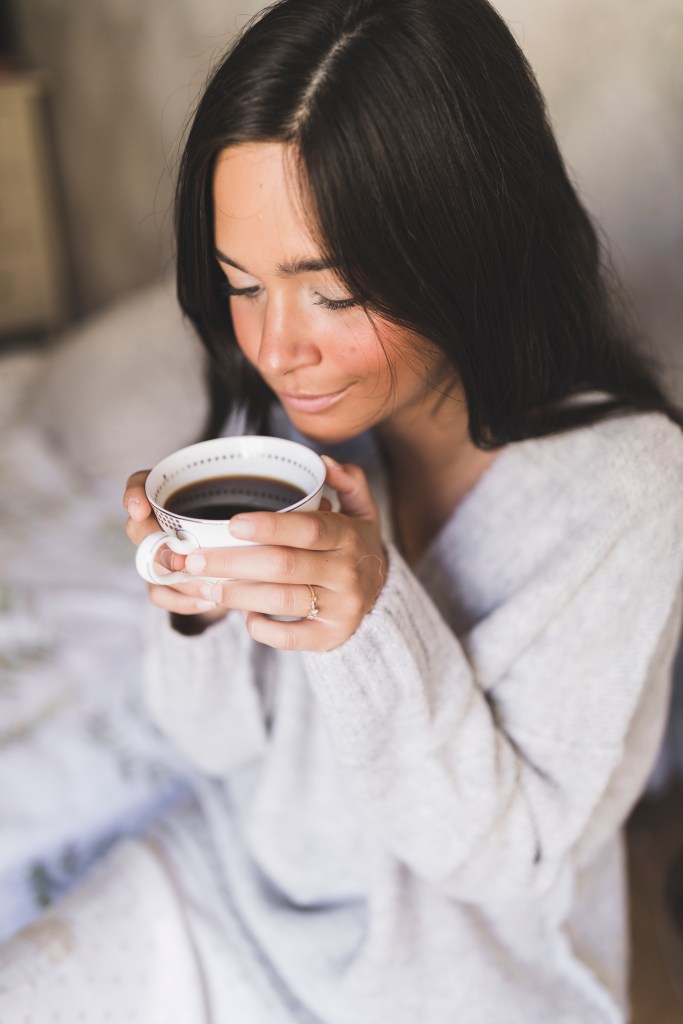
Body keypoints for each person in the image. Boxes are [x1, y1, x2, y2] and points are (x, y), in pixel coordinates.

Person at [2, 1, 682, 1021]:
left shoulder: (624, 486)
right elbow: (214, 745)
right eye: (241, 284)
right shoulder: (272, 421)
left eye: (330, 292)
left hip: (457, 970)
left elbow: (500, 862)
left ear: (468, 242)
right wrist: (192, 605)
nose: (277, 348)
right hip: (227, 882)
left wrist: (369, 617)